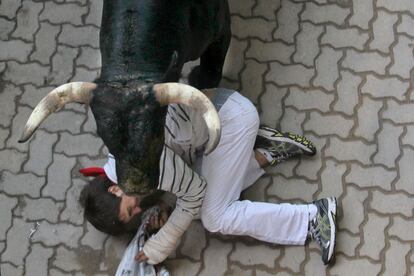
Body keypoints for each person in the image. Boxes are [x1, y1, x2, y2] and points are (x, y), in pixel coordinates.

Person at [80, 87, 337, 265]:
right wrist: (167, 210)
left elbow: (193, 192)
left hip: (230, 120)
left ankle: (314, 218)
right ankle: (267, 152)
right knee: (203, 207)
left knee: (214, 217)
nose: (137, 211)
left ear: (115, 190)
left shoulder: (143, 164)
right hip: (218, 117)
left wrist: (162, 243)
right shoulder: (121, 162)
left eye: (129, 210)